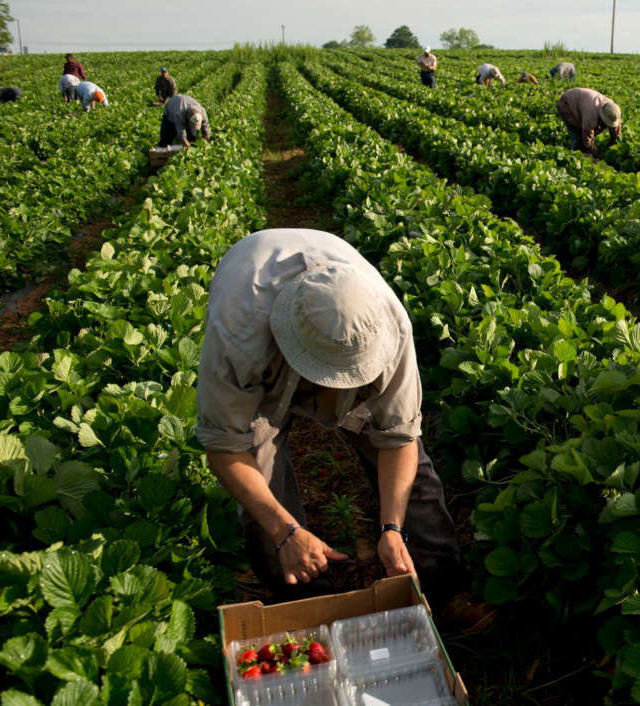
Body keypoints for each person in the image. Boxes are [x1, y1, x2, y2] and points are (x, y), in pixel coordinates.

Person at [196, 229, 495, 632]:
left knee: (414, 479)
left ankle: (442, 588)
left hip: (335, 293)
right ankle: (303, 610)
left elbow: (399, 438)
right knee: (262, 486)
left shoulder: (390, 328)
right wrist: (286, 532)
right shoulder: (240, 334)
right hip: (253, 293)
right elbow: (226, 450)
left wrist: (392, 526)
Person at [556, 87, 621, 157]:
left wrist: (614, 146)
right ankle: (577, 155)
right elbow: (587, 138)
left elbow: (616, 133)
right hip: (567, 104)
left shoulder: (613, 112)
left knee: (590, 131)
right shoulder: (590, 115)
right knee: (578, 138)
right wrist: (595, 153)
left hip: (582, 102)